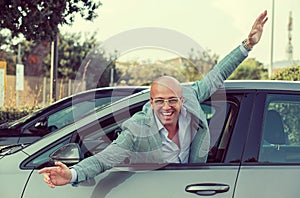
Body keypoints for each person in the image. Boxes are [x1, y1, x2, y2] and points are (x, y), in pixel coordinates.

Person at [38, 10, 268, 188]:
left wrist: (247, 44)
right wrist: (72, 174)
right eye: (159, 101)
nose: (166, 107)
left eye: (172, 100)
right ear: (151, 102)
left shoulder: (192, 96)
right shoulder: (138, 129)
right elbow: (105, 158)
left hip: (194, 185)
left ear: (182, 99)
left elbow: (218, 74)